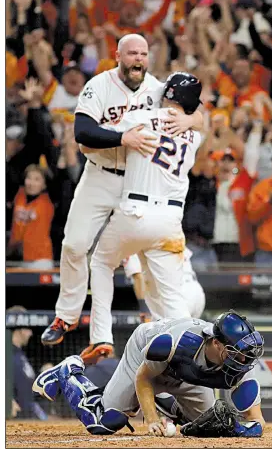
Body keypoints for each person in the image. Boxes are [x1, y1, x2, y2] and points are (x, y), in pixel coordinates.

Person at [41, 34, 203, 362]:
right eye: (132, 53)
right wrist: (123, 137)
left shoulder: (157, 88)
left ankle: (160, 338)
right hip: (101, 176)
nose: (138, 59)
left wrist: (190, 117)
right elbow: (83, 132)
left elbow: (196, 110)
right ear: (118, 55)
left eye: (143, 53)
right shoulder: (99, 85)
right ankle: (66, 317)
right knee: (74, 245)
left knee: (118, 262)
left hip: (135, 181)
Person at [79, 71, 203, 363]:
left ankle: (101, 337)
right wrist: (192, 118)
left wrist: (119, 138)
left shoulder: (141, 118)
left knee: (100, 262)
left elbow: (88, 141)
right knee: (170, 308)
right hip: (170, 223)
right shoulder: (195, 135)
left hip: (136, 213)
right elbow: (199, 117)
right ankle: (196, 367)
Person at [33, 310, 265, 438]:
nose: (243, 360)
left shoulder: (239, 364)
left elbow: (257, 422)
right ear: (216, 343)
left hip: (186, 374)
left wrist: (241, 428)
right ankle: (68, 371)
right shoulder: (172, 344)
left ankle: (167, 403)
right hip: (146, 355)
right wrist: (152, 420)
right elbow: (143, 378)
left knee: (204, 426)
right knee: (104, 422)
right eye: (238, 352)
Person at [123, 247, 206, 321]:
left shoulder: (134, 240)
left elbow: (138, 276)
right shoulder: (166, 233)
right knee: (191, 334)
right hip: (196, 291)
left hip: (177, 295)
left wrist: (144, 310)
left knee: (168, 334)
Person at [7, 164, 54, 269]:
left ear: (44, 185)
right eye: (29, 178)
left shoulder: (48, 200)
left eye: (37, 179)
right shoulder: (19, 196)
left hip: (41, 259)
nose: (31, 183)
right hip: (18, 259)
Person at [7, 306, 48, 420]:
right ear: (20, 328)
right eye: (28, 328)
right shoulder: (5, 351)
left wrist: (43, 374)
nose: (30, 333)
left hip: (29, 419)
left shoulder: (20, 355)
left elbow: (26, 390)